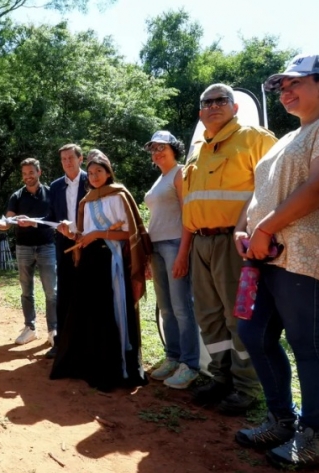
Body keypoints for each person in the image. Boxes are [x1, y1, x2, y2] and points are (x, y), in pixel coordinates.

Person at [233, 54, 319, 469]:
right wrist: (243, 227)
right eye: (281, 87)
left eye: (294, 84)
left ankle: (316, 438)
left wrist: (264, 229)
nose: (285, 92)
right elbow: (260, 192)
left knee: (310, 344)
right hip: (264, 256)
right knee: (254, 335)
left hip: (306, 254)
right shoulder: (287, 138)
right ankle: (281, 420)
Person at [183, 83, 277, 415]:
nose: (213, 106)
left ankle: (247, 387)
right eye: (207, 102)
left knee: (239, 317)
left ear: (235, 107)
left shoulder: (256, 138)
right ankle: (220, 377)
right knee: (209, 318)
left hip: (234, 243)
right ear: (200, 113)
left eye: (221, 100)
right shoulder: (198, 149)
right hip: (200, 242)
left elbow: (273, 186)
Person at [50, 154, 151, 391]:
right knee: (90, 312)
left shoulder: (119, 195)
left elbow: (129, 233)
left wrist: (98, 235)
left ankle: (114, 367)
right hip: (89, 262)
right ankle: (89, 364)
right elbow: (83, 233)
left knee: (109, 310)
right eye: (91, 172)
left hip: (111, 259)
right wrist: (71, 233)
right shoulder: (87, 200)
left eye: (99, 172)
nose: (94, 176)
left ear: (108, 173)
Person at [143, 131, 201, 389]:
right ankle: (172, 357)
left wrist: (183, 252)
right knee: (165, 308)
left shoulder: (180, 173)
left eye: (162, 147)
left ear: (173, 148)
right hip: (156, 247)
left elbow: (188, 213)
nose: (157, 152)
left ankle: (190, 365)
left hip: (175, 244)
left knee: (181, 308)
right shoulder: (160, 178)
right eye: (153, 149)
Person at [0, 158, 58, 346]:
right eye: (25, 174)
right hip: (23, 248)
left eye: (31, 173)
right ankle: (30, 328)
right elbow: (7, 222)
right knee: (26, 291)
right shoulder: (17, 196)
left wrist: (33, 221)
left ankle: (53, 330)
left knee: (51, 291)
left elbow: (57, 220)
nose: (28, 177)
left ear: (39, 172)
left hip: (47, 247)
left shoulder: (52, 193)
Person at [44, 144, 89, 359]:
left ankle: (87, 342)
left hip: (90, 245)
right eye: (63, 159)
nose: (67, 162)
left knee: (87, 292)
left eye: (71, 157)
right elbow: (51, 217)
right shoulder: (55, 186)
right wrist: (29, 222)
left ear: (81, 159)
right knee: (64, 293)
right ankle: (61, 342)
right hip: (64, 246)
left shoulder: (93, 180)